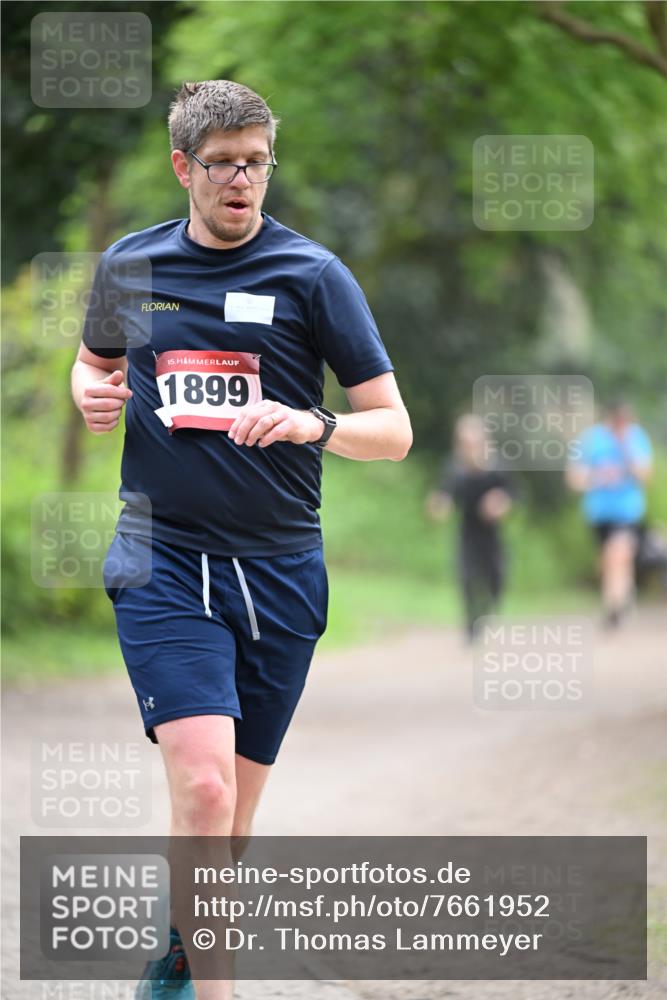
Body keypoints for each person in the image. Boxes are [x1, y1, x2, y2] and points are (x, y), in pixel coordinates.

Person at [70, 79, 412, 999]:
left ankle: (177, 958)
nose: (243, 182)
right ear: (184, 167)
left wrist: (314, 425)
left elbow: (394, 428)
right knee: (207, 793)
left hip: (280, 572)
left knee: (231, 818)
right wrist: (89, 391)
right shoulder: (131, 267)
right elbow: (94, 361)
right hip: (164, 557)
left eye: (256, 163)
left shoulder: (313, 276)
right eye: (223, 165)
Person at [566, 400, 653, 628]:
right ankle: (622, 597)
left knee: (618, 555)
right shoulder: (592, 439)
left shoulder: (636, 438)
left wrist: (625, 449)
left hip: (628, 512)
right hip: (599, 513)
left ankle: (614, 609)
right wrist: (597, 478)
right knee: (609, 563)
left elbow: (645, 476)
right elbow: (574, 477)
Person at [426, 414, 513, 640]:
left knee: (496, 577)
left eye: (473, 442)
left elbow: (513, 493)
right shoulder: (455, 467)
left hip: (491, 534)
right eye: (464, 442)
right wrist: (440, 505)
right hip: (467, 531)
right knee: (466, 577)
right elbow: (444, 493)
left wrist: (499, 502)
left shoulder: (496, 466)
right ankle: (471, 622)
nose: (469, 447)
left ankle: (487, 610)